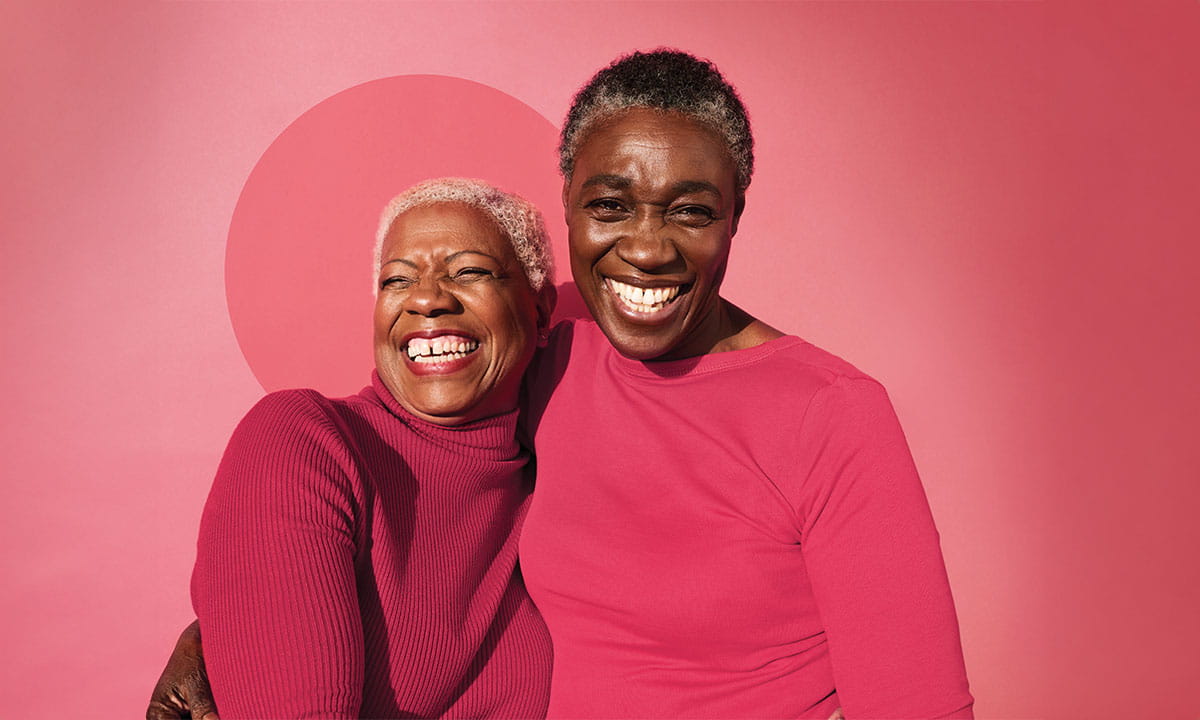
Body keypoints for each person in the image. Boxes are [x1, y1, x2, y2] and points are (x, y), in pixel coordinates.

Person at [150, 50, 972, 719]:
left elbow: (918, 703)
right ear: (571, 212)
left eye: (690, 212)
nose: (646, 252)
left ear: (735, 216)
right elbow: (403, 441)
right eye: (610, 207)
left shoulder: (831, 414)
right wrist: (234, 617)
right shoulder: (555, 341)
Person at [152, 178, 556, 719]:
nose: (427, 298)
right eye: (397, 280)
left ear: (542, 311)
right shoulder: (304, 442)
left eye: (469, 271)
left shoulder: (556, 482)